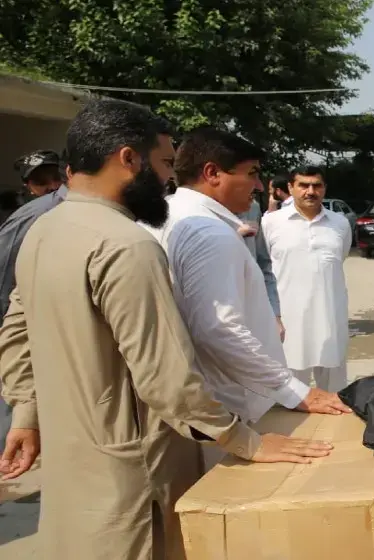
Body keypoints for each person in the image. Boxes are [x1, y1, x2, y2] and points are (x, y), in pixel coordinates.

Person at [0, 99, 332, 560]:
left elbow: (16, 332)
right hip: (133, 470)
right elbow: (167, 378)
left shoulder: (44, 228)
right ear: (128, 159)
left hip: (70, 457)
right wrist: (246, 441)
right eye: (163, 164)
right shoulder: (125, 246)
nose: (168, 180)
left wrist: (26, 413)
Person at [145, 127, 351, 467]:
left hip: (191, 406)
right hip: (222, 408)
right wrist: (295, 391)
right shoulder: (207, 231)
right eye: (252, 174)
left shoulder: (167, 215)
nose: (259, 186)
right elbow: (218, 329)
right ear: (212, 173)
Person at [0, 153, 70, 452]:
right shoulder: (31, 218)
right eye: (41, 182)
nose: (51, 186)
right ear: (29, 187)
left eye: (55, 178)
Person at [262, 165, 353, 393]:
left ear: (324, 188)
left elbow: (338, 260)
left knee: (335, 391)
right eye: (303, 185)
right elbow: (264, 269)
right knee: (289, 393)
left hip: (330, 315)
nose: (310, 191)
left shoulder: (339, 223)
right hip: (288, 320)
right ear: (291, 188)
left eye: (317, 185)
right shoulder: (271, 223)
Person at [237, 196, 283, 339]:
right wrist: (234, 234)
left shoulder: (253, 207)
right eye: (250, 174)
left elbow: (263, 265)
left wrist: (274, 314)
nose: (259, 186)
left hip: (253, 313)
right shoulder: (188, 211)